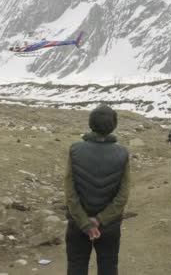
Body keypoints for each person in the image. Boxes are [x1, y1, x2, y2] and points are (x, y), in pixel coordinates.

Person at [65, 105, 130, 275]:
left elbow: (70, 192)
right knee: (108, 265)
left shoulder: (75, 150)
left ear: (90, 123)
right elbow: (123, 195)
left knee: (76, 265)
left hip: (78, 223)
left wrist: (85, 222)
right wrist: (100, 220)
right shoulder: (122, 153)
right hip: (110, 225)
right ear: (113, 125)